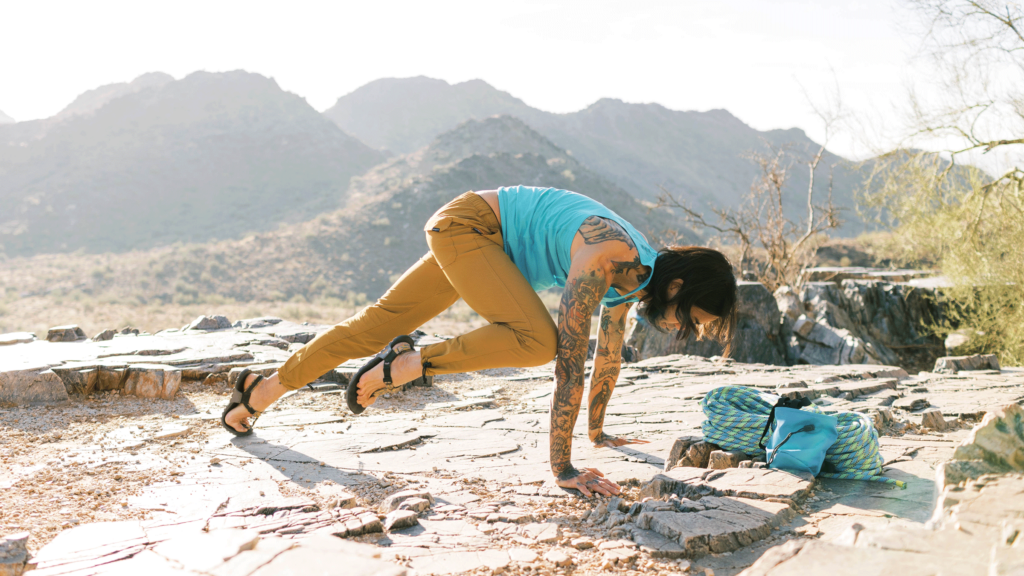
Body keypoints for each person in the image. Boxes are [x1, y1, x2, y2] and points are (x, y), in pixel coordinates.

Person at [223, 186, 737, 497]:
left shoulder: (636, 276)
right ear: (676, 287)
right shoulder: (610, 258)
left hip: (482, 241)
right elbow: (570, 364)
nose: (682, 331)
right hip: (470, 228)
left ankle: (259, 392)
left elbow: (607, 359)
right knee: (539, 342)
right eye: (691, 318)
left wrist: (601, 436)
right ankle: (408, 363)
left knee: (373, 327)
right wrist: (564, 469)